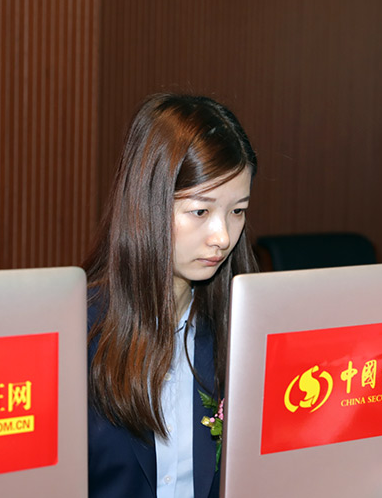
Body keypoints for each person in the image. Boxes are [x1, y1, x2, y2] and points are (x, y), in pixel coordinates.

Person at [83, 93, 258, 498]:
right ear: (148, 205)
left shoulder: (240, 330)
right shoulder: (81, 334)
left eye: (237, 211)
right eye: (200, 211)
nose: (222, 237)